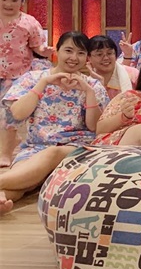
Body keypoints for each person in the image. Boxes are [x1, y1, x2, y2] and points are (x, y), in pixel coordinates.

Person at [0, 51, 141, 212]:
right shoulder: (130, 97)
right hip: (112, 152)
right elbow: (100, 129)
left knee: (27, 182)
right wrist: (124, 116)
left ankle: (2, 198)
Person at [2, 31, 109, 167]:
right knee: (20, 172)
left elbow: (94, 126)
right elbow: (18, 113)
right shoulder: (33, 78)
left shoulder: (93, 86)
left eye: (81, 53)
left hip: (78, 149)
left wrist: (89, 92)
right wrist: (43, 83)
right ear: (57, 51)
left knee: (38, 166)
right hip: (36, 148)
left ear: (87, 57)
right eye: (68, 51)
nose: (74, 58)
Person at [0, 0, 57, 165]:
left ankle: (5, 153)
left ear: (22, 1)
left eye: (14, 0)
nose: (8, 4)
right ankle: (10, 142)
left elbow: (36, 46)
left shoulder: (29, 22)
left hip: (17, 77)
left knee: (9, 116)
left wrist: (44, 51)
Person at [87, 34, 139, 99]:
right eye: (99, 54)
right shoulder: (87, 83)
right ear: (89, 58)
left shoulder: (134, 75)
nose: (106, 58)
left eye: (109, 53)